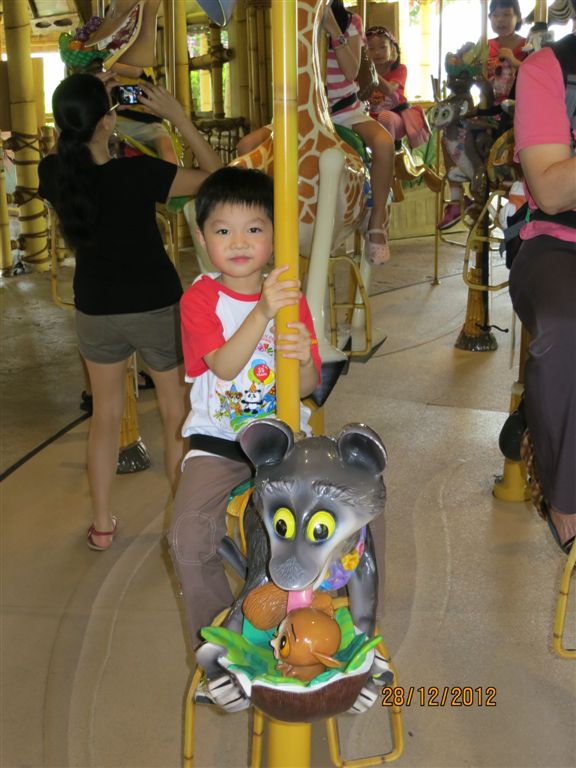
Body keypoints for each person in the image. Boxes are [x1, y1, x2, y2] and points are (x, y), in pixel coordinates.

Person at [38, 73, 222, 551]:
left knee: (104, 417)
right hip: (156, 306)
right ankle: (183, 525)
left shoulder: (52, 173)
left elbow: (67, 147)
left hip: (95, 310)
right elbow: (218, 178)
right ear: (107, 122)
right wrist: (177, 117)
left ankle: (102, 526)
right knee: (175, 413)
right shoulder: (139, 175)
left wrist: (84, 107)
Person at [169, 166, 321, 648]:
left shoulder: (289, 297)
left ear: (275, 236)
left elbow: (309, 385)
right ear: (202, 238)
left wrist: (303, 360)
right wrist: (263, 312)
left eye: (253, 229)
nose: (238, 242)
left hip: (284, 441)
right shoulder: (200, 300)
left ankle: (332, 626)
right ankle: (217, 644)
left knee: (352, 510)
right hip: (220, 443)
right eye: (222, 231)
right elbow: (226, 365)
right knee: (188, 537)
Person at [510, 9, 576, 554]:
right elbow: (552, 192)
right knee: (565, 325)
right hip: (559, 240)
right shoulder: (547, 69)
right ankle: (566, 495)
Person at [438, 0, 527, 230]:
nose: (500, 20)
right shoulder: (485, 47)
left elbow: (535, 75)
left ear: (517, 17)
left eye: (506, 15)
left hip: (515, 109)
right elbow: (470, 78)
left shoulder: (526, 46)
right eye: (495, 15)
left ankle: (493, 191)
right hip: (487, 106)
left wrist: (515, 61)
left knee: (491, 137)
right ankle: (458, 197)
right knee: (451, 131)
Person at [322, 0, 395, 265]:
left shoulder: (351, 22)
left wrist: (333, 29)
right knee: (248, 145)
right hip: (308, 112)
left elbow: (352, 71)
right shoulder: (296, 20)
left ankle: (376, 220)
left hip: (345, 111)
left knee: (384, 143)